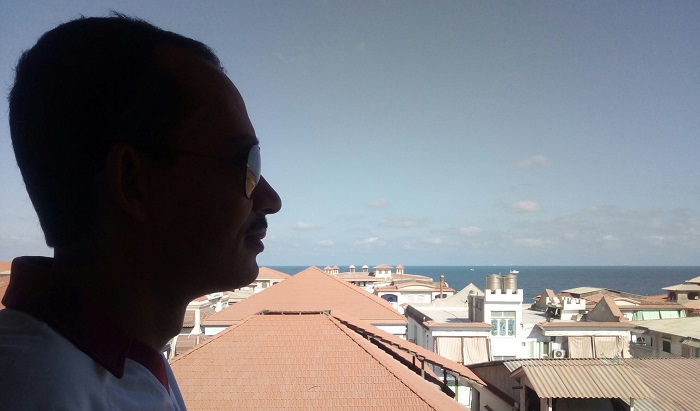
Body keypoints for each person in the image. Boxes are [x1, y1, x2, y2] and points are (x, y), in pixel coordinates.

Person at [0, 14, 282, 409]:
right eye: (246, 164)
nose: (271, 199)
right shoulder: (35, 390)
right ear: (133, 181)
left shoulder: (123, 363)